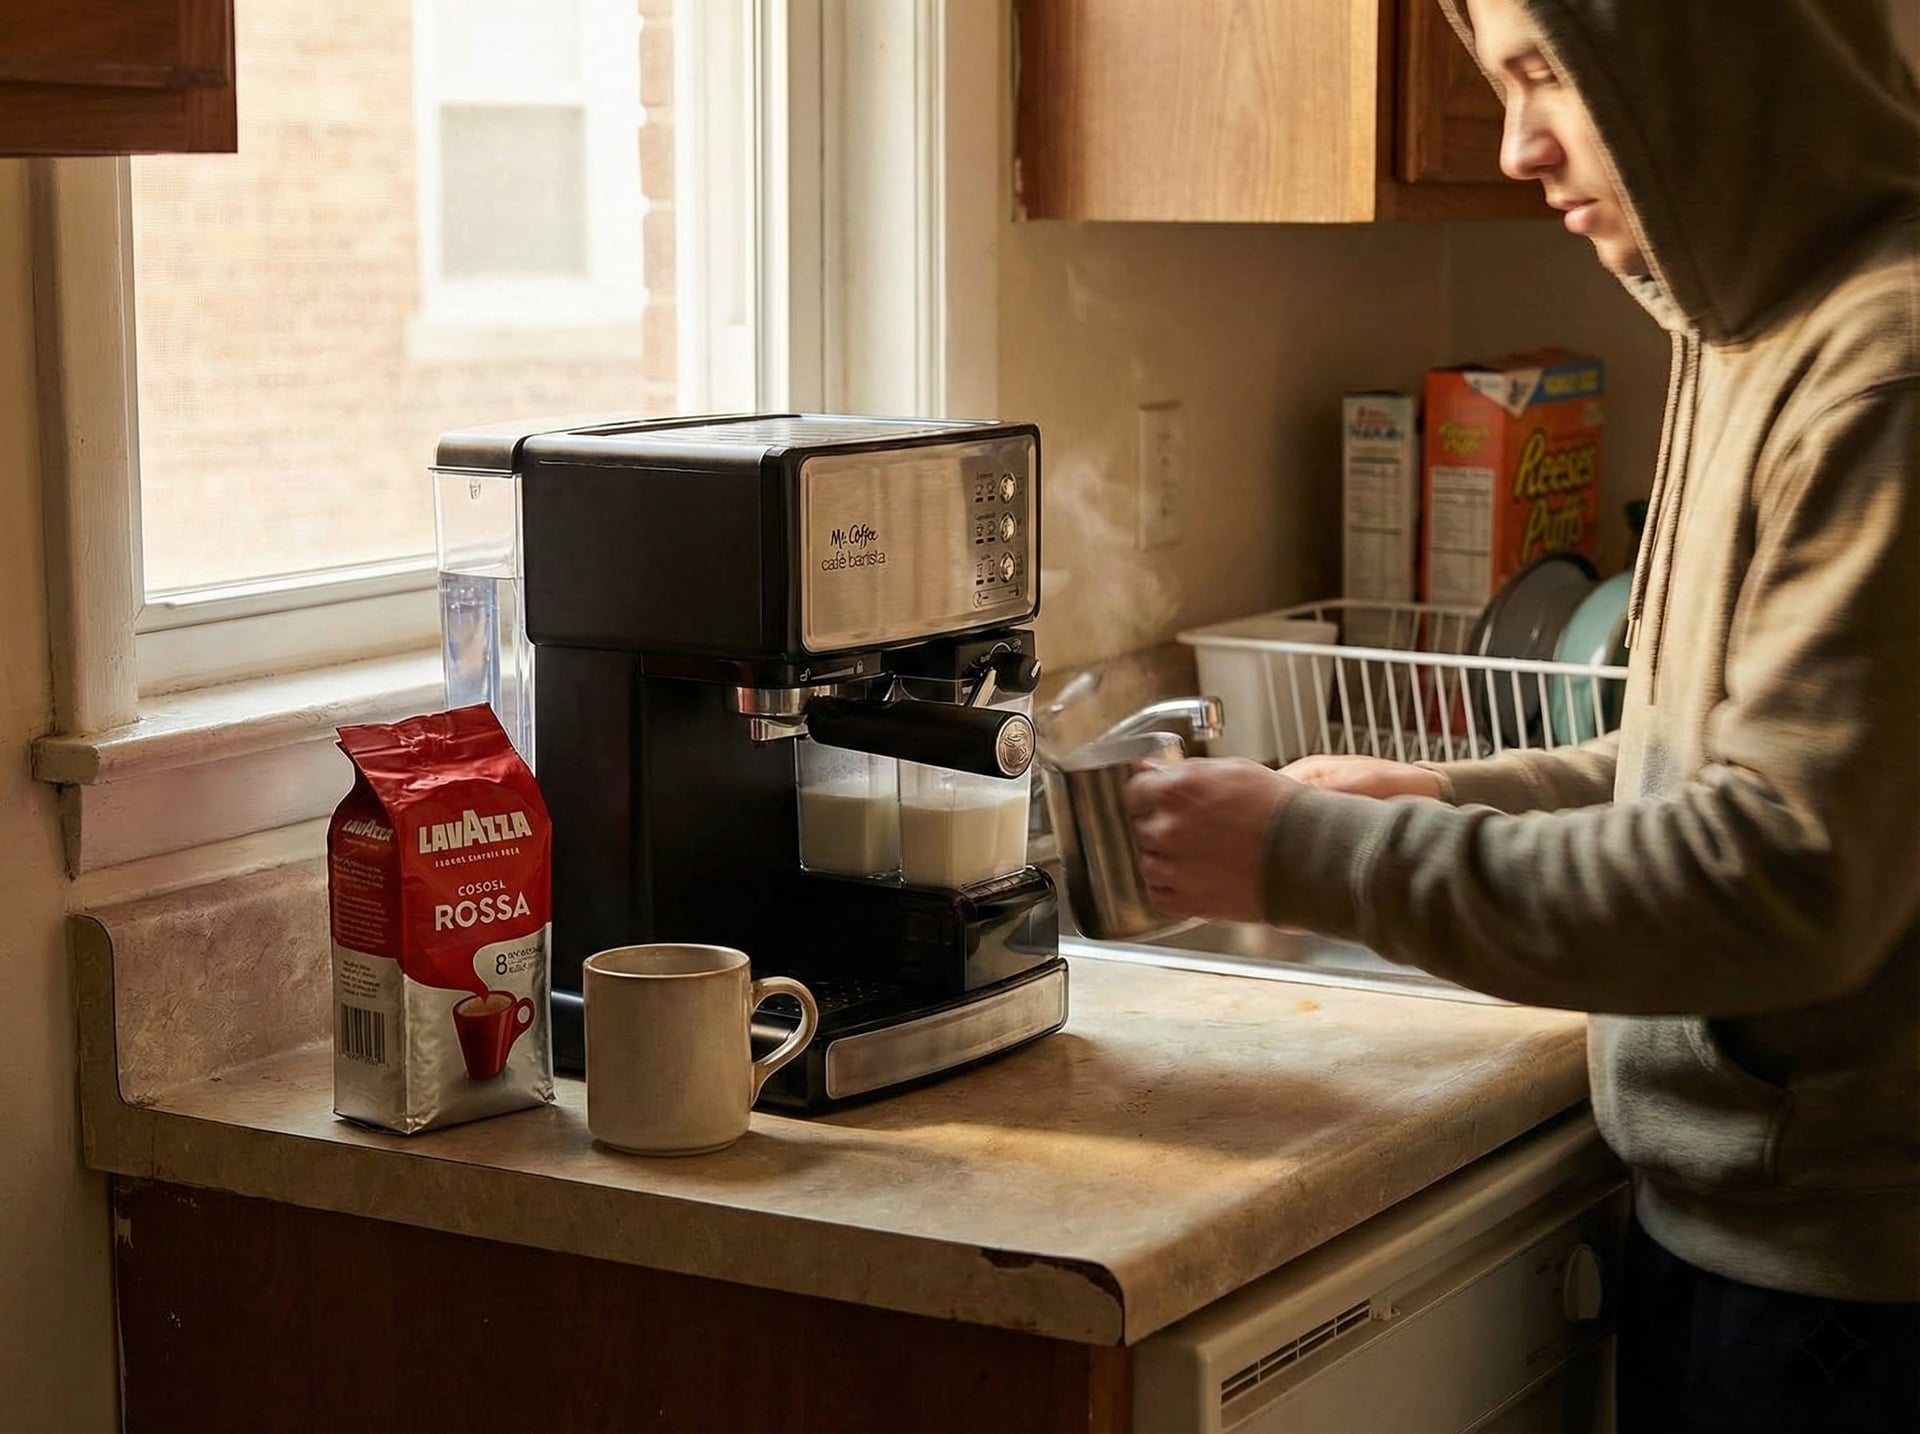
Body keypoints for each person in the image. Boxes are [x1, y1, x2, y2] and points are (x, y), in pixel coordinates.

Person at [1123, 1, 1920, 1429]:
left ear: (1706, 51)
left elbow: (1785, 877)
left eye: (1550, 74)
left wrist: (1314, 859)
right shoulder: (1754, 326)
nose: (1514, 147)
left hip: (1849, 1298)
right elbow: (1694, 761)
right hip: (1774, 1241)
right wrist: (1447, 801)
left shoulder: (1884, 373)